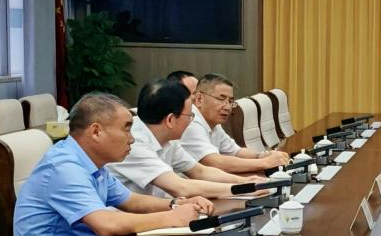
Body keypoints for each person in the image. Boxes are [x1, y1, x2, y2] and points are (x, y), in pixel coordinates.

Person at [13, 92, 210, 236]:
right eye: (126, 129)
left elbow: (131, 201)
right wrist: (172, 217)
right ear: (96, 131)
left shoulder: (91, 163)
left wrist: (177, 204)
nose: (132, 139)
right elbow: (106, 224)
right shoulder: (64, 167)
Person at [107, 79, 264, 199]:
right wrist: (243, 189)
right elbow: (181, 187)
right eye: (190, 115)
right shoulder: (133, 143)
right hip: (127, 222)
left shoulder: (168, 139)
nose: (191, 120)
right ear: (170, 120)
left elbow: (200, 171)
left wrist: (243, 182)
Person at [180, 73, 289, 174]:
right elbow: (214, 162)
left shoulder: (213, 122)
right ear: (199, 99)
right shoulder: (190, 121)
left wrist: (262, 155)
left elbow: (235, 151)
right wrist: (265, 163)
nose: (227, 107)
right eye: (221, 99)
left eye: (230, 101)